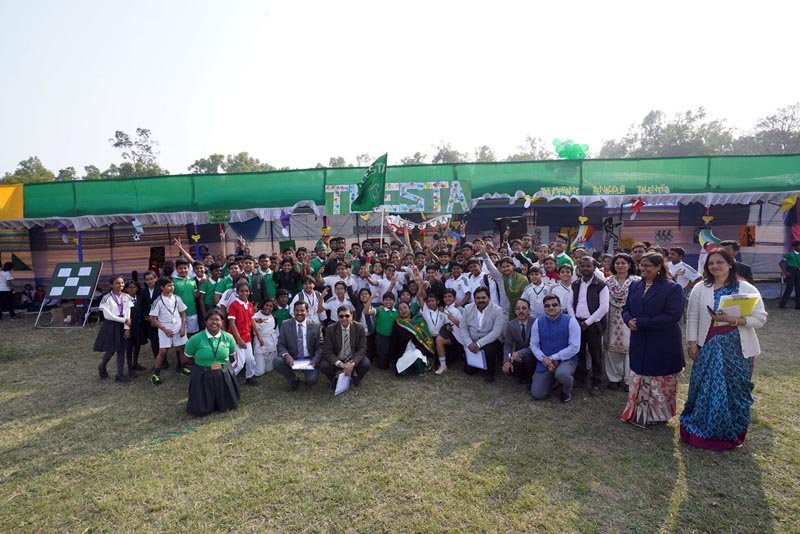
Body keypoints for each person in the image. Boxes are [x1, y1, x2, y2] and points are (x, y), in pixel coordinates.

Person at [680, 248, 768, 450]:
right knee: (705, 389)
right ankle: (701, 432)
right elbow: (692, 317)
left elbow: (760, 318)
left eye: (720, 262)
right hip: (707, 345)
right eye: (711, 263)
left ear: (730, 264)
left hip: (737, 349)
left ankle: (732, 432)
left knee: (735, 390)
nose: (715, 266)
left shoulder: (746, 288)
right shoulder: (700, 288)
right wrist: (691, 343)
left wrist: (733, 320)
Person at [621, 252, 684, 428]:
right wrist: (628, 319)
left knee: (659, 376)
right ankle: (639, 413)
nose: (643, 268)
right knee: (640, 372)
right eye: (641, 264)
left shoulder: (672, 288)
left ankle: (659, 415)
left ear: (658, 267)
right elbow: (626, 308)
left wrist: (641, 322)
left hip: (662, 341)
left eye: (648, 265)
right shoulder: (635, 285)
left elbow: (672, 315)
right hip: (639, 338)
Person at [183, 308, 241, 416]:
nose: (214, 322)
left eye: (217, 319)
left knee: (228, 405)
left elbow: (231, 356)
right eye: (211, 319)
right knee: (200, 409)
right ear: (205, 322)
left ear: (222, 322)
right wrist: (203, 364)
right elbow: (187, 358)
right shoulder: (195, 339)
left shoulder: (229, 337)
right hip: (203, 374)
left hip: (222, 373)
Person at [530, 295, 581, 402]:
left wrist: (553, 358)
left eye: (554, 305)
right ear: (544, 308)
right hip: (545, 361)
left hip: (566, 360)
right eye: (547, 306)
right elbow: (533, 345)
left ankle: (566, 391)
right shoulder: (538, 322)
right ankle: (553, 381)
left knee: (562, 374)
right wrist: (544, 359)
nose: (551, 307)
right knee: (537, 394)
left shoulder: (571, 321)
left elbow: (575, 347)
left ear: (560, 306)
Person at [571, 256, 610, 396]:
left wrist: (587, 323)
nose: (585, 268)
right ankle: (581, 379)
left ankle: (596, 382)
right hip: (577, 323)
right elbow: (569, 304)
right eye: (582, 266)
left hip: (593, 325)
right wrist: (575, 321)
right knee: (579, 352)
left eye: (588, 266)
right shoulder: (575, 284)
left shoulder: (601, 285)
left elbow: (604, 307)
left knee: (595, 354)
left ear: (594, 268)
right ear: (579, 268)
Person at [605, 253, 640, 392]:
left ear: (629, 265)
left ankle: (628, 380)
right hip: (611, 317)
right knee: (611, 348)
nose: (620, 265)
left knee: (629, 348)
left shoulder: (636, 281)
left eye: (623, 263)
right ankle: (613, 378)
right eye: (617, 263)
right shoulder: (607, 281)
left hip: (629, 316)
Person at [458, 286, 506, 382]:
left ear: (489, 298)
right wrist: (469, 343)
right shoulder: (468, 308)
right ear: (474, 298)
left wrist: (479, 344)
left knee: (489, 349)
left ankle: (490, 371)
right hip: (472, 341)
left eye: (483, 298)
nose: (481, 300)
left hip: (488, 341)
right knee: (469, 371)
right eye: (478, 298)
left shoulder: (497, 310)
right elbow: (463, 327)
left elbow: (496, 332)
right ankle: (479, 364)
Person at [94, 276, 135, 382]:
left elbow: (128, 312)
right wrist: (123, 320)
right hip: (111, 325)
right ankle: (102, 366)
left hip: (123, 325)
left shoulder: (126, 296)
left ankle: (119, 375)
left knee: (121, 350)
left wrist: (127, 328)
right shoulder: (106, 298)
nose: (121, 285)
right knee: (111, 350)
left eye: (122, 283)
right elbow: (107, 315)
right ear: (111, 285)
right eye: (117, 283)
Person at [149, 277, 189, 385]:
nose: (172, 287)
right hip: (164, 329)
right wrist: (164, 329)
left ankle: (183, 368)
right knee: (163, 352)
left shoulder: (177, 298)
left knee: (181, 348)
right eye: (169, 285)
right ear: (162, 287)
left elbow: (183, 313)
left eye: (173, 285)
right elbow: (153, 318)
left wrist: (183, 327)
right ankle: (156, 375)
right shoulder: (158, 301)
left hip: (178, 327)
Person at [275, 301, 322, 391]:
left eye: (302, 310)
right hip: (293, 358)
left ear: (307, 311)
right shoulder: (286, 324)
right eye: (297, 310)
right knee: (277, 361)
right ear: (293, 311)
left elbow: (320, 346)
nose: (299, 313)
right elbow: (280, 344)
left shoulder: (315, 326)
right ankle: (293, 379)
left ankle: (310, 371)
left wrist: (315, 360)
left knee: (311, 381)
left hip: (309, 360)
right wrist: (286, 355)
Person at [321, 304, 371, 387]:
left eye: (347, 316)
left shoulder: (359, 328)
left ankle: (355, 378)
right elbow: (327, 350)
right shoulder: (330, 329)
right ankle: (335, 378)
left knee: (366, 363)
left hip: (352, 358)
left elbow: (362, 348)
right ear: (338, 317)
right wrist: (340, 364)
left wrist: (352, 363)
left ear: (352, 316)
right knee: (324, 365)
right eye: (341, 316)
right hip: (338, 359)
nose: (344, 318)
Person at [227, 281, 263, 385]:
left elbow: (252, 321)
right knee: (239, 363)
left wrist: (259, 336)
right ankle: (226, 378)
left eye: (246, 291)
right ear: (237, 292)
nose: (244, 293)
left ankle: (249, 377)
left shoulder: (250, 305)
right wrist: (238, 339)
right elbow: (232, 323)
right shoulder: (234, 305)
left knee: (250, 359)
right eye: (241, 291)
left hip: (246, 337)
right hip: (236, 338)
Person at [392, 301, 435, 376]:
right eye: (400, 309)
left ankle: (420, 369)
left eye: (405, 308)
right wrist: (392, 359)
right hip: (404, 351)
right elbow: (394, 342)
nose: (403, 310)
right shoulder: (398, 323)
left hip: (418, 349)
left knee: (417, 355)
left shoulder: (418, 320)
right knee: (401, 372)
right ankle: (412, 367)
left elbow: (425, 337)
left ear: (409, 308)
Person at [502, 298, 536, 385]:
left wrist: (520, 353)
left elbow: (536, 345)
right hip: (517, 356)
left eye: (524, 308)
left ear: (529, 310)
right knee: (510, 369)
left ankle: (531, 379)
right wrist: (506, 361)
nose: (521, 311)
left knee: (529, 359)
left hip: (532, 354)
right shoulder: (511, 324)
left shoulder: (535, 323)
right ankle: (522, 376)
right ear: (515, 311)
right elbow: (508, 344)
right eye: (518, 309)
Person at [124, 280, 147, 374]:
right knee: (129, 347)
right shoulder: (124, 299)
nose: (132, 289)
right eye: (129, 287)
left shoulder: (140, 298)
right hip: (130, 327)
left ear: (137, 288)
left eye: (134, 287)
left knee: (137, 345)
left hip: (139, 326)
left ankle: (135, 363)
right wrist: (127, 328)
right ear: (126, 289)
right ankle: (130, 368)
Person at [252, 299, 278, 377]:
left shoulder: (273, 317)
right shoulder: (255, 316)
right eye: (266, 305)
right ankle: (250, 368)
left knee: (269, 369)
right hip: (260, 342)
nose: (268, 307)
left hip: (271, 343)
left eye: (271, 306)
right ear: (263, 305)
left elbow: (276, 331)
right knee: (259, 372)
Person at [373, 292, 398, 370]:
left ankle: (391, 363)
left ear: (394, 301)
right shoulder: (379, 309)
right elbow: (366, 311)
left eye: (390, 300)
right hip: (381, 337)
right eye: (386, 300)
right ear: (383, 301)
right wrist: (372, 297)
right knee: (382, 358)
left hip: (392, 337)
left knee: (391, 352)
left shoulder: (397, 312)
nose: (388, 302)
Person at [778, 239, 800, 309]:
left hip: (798, 271)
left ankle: (798, 305)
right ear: (794, 247)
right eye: (799, 246)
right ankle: (782, 304)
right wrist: (785, 272)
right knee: (789, 288)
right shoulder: (789, 254)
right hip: (791, 271)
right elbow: (781, 263)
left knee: (798, 288)